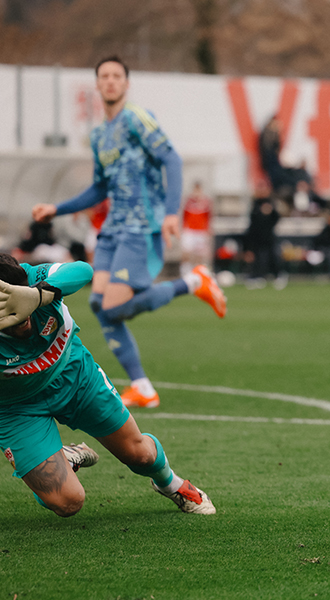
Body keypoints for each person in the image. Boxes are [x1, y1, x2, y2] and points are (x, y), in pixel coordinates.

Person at [31, 56, 227, 409]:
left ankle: (194, 282)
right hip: (112, 231)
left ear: (126, 83)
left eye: (116, 76)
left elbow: (171, 159)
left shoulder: (137, 118)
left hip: (140, 226)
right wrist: (56, 209)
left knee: (115, 305)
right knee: (100, 305)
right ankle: (142, 387)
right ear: (97, 84)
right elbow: (99, 188)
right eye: (104, 76)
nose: (110, 81)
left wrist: (171, 213)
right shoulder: (99, 135)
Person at [0, 253, 216, 517]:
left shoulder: (30, 278)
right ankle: (61, 459)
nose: (24, 319)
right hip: (15, 408)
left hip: (75, 376)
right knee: (67, 502)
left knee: (139, 455)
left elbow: (81, 270)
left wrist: (37, 295)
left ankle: (172, 484)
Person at [244, 182, 287, 290]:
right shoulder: (255, 203)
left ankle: (278, 276)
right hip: (257, 237)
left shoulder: (271, 203)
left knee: (273, 258)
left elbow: (276, 218)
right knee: (258, 259)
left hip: (268, 237)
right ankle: (257, 277)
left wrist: (269, 212)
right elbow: (253, 223)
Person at [180, 181, 214, 277]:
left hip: (201, 231)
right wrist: (183, 229)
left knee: (199, 255)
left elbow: (209, 217)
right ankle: (185, 273)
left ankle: (198, 274)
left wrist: (208, 231)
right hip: (189, 230)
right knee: (186, 253)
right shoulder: (188, 201)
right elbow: (184, 216)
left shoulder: (206, 202)